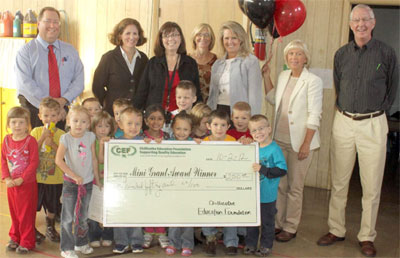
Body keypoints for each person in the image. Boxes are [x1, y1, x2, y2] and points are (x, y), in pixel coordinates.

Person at [317, 4, 399, 257]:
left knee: (371, 185)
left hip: (373, 124)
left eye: (365, 20)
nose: (360, 24)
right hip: (344, 122)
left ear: (373, 23)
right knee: (339, 182)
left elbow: (392, 87)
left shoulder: (386, 53)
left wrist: (377, 111)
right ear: (350, 24)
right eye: (356, 20)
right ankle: (336, 229)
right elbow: (339, 86)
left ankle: (367, 236)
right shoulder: (341, 54)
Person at [263, 39, 323, 242]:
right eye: (290, 54)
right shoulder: (283, 75)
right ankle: (278, 223)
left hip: (300, 143)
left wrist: (306, 143)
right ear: (286, 59)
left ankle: (291, 226)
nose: (294, 57)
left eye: (298, 54)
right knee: (279, 184)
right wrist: (266, 77)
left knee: (295, 187)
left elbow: (315, 114)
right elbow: (273, 98)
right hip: (279, 141)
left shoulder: (313, 81)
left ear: (305, 58)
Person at [15, 6, 84, 129]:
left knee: (62, 147)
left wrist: (62, 102)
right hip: (35, 112)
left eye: (56, 22)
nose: (52, 26)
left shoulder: (70, 50)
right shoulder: (26, 52)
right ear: (38, 24)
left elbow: (79, 81)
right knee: (36, 147)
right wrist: (51, 107)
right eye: (48, 21)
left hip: (63, 112)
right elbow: (25, 84)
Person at [55, 106, 101, 258]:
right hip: (71, 184)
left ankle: (80, 243)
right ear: (68, 121)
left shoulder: (90, 137)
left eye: (83, 121)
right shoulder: (65, 138)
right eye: (75, 121)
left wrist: (97, 179)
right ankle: (67, 247)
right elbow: (58, 160)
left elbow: (94, 159)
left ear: (88, 124)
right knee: (67, 217)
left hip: (87, 183)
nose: (79, 124)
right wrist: (74, 176)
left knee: (83, 216)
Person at [133, 21, 202, 112]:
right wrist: (134, 113)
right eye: (166, 36)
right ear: (161, 40)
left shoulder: (190, 63)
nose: (170, 39)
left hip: (182, 117)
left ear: (181, 38)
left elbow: (197, 93)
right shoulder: (153, 63)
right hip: (155, 117)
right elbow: (141, 93)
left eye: (174, 35)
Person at [245, 114, 287, 257]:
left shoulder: (274, 149)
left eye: (261, 128)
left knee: (267, 224)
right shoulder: (252, 147)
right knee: (252, 222)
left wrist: (263, 169)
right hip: (252, 195)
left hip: (267, 197)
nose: (258, 133)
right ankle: (250, 244)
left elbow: (282, 170)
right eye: (254, 131)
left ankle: (265, 246)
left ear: (269, 129)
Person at [1, 107, 39, 254]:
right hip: (12, 185)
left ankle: (27, 241)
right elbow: (3, 160)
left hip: (26, 185)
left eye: (21, 122)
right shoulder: (6, 140)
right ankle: (15, 237)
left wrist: (22, 179)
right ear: (8, 124)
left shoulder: (31, 141)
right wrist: (7, 177)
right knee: (14, 213)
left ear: (27, 124)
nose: (17, 125)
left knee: (26, 214)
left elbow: (33, 162)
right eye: (14, 122)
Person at [92, 18, 149, 116]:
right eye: (127, 33)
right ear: (120, 35)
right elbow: (97, 86)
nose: (132, 37)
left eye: (135, 33)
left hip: (136, 115)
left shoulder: (143, 59)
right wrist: (108, 103)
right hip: (113, 114)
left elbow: (146, 86)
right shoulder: (108, 58)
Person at [201, 110, 237, 256]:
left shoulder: (233, 142)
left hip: (227, 185)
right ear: (208, 126)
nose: (219, 128)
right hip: (209, 185)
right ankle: (210, 238)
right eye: (215, 124)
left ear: (228, 126)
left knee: (229, 211)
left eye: (223, 125)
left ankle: (231, 242)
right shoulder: (203, 143)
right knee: (207, 210)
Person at [207, 21, 262, 115]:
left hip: (240, 115)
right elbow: (212, 95)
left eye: (234, 38)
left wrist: (253, 120)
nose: (230, 42)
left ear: (241, 40)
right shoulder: (217, 64)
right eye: (226, 38)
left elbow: (254, 96)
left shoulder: (250, 61)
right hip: (218, 113)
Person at [30, 97, 65, 243]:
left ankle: (50, 227)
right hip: (37, 178)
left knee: (52, 205)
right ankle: (31, 228)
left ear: (59, 117)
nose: (49, 119)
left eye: (53, 116)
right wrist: (42, 139)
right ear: (40, 116)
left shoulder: (62, 135)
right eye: (45, 115)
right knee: (33, 204)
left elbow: (64, 157)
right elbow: (30, 152)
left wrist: (54, 145)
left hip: (54, 178)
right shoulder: (36, 132)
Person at [113, 107, 145, 254]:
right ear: (121, 125)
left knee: (137, 213)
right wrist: (106, 144)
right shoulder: (115, 143)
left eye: (137, 124)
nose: (134, 127)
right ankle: (121, 241)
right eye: (130, 123)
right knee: (120, 212)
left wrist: (157, 144)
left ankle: (137, 241)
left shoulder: (145, 142)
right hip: (120, 186)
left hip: (138, 185)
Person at [165, 112, 194, 256]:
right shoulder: (166, 143)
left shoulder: (195, 144)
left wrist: (200, 146)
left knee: (188, 216)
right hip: (172, 187)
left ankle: (187, 244)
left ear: (191, 130)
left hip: (189, 188)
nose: (181, 133)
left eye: (185, 129)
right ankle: (173, 242)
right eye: (178, 129)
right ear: (172, 128)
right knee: (173, 216)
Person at [88, 111, 116, 248]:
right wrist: (101, 145)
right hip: (95, 181)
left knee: (108, 211)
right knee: (94, 211)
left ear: (111, 128)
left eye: (106, 126)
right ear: (93, 128)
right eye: (99, 126)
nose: (103, 129)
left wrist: (106, 144)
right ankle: (94, 235)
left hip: (109, 183)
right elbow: (99, 159)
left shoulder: (114, 142)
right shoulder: (92, 142)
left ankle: (108, 235)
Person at [190, 23, 217, 103]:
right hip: (190, 106)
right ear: (194, 38)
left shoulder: (217, 61)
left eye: (206, 35)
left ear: (211, 39)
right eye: (199, 34)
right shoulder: (186, 60)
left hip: (211, 106)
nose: (203, 38)